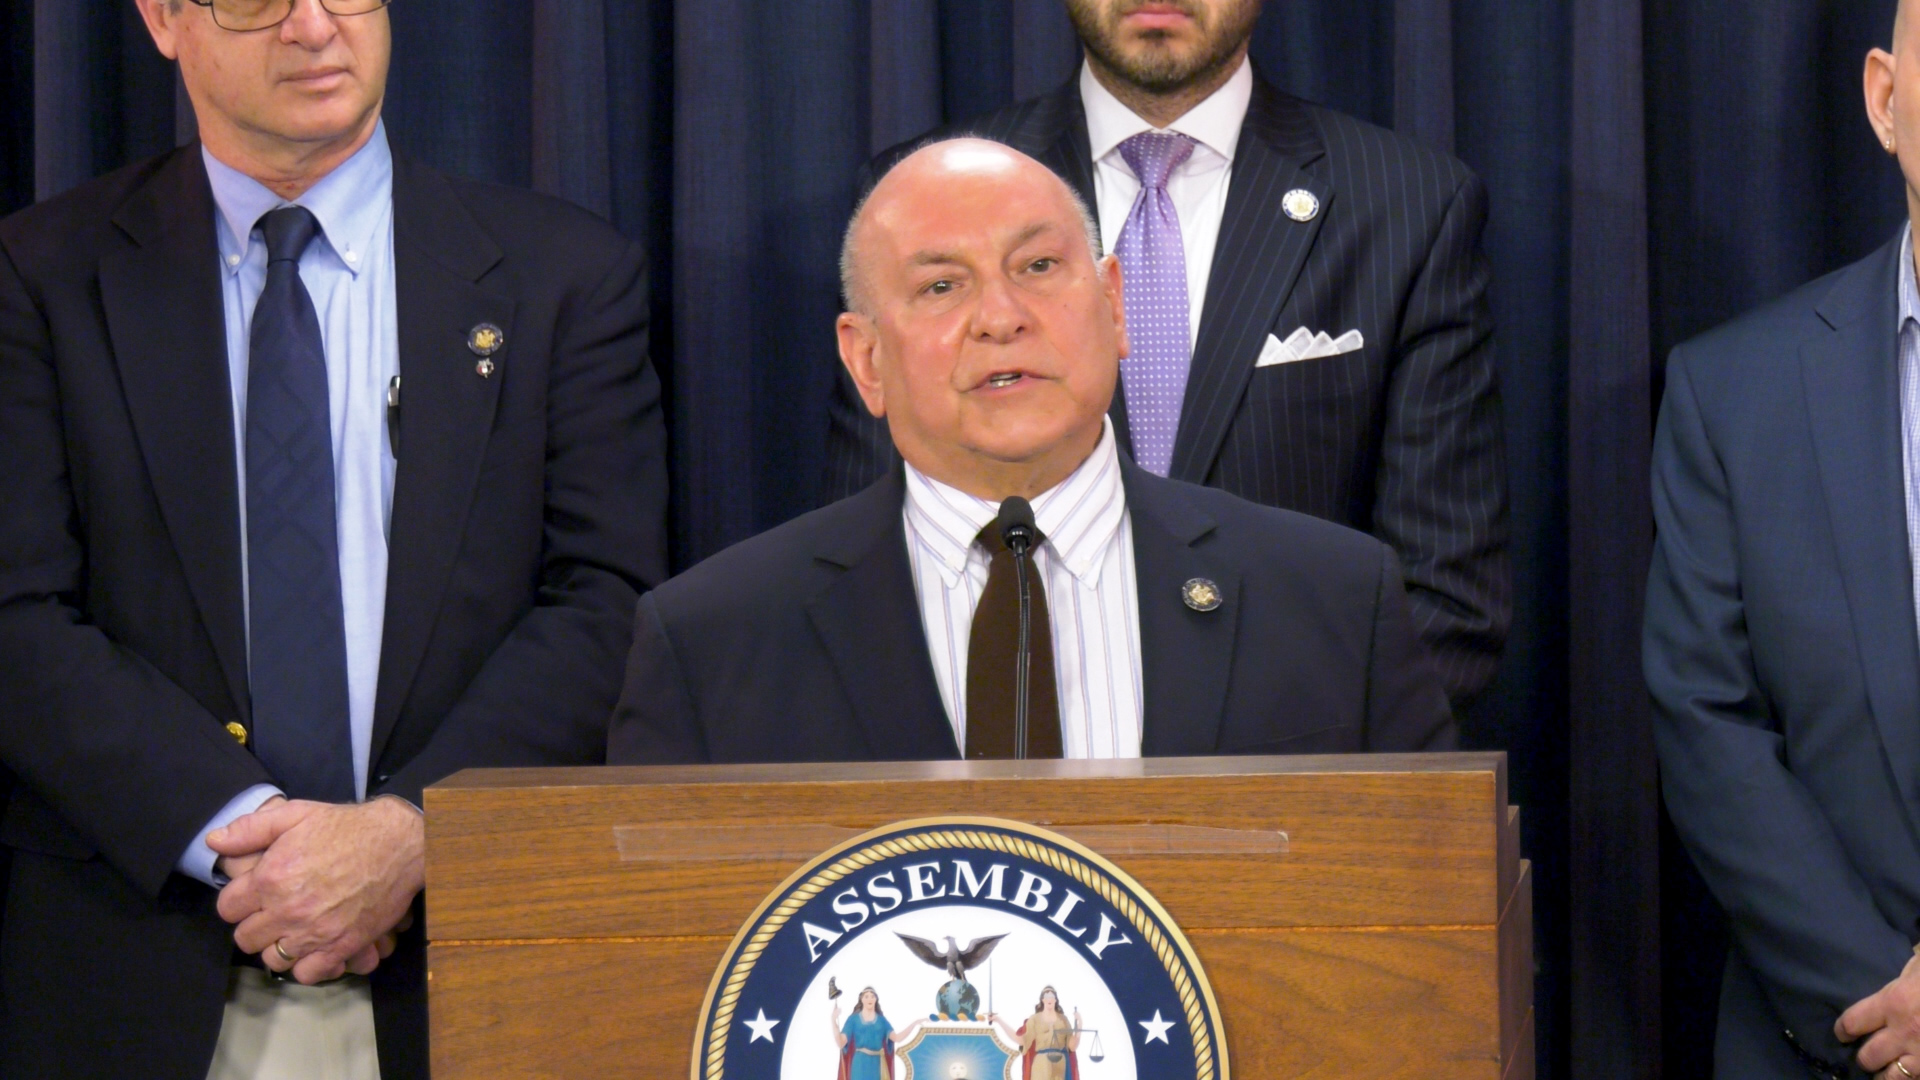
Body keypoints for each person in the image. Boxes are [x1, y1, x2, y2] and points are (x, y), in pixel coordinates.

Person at [0, 0, 667, 1076]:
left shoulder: (562, 278)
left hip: (467, 965)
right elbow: (17, 617)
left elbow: (608, 598)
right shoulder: (39, 274)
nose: (316, 27)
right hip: (139, 962)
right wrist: (251, 842)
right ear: (164, 20)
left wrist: (408, 832)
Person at [609, 139, 1450, 770]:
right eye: (942, 285)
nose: (1001, 316)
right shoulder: (708, 644)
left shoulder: (1338, 603)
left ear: (1116, 307)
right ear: (865, 359)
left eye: (1039, 265)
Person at [822, 0, 1509, 713]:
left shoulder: (1407, 205)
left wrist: (1219, 784)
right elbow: (859, 579)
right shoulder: (910, 202)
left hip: (1283, 791)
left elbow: (1443, 601)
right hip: (991, 772)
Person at [1645, 4, 1920, 1076]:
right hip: (1831, 1042)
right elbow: (1706, 722)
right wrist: (1881, 995)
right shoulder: (1734, 391)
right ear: (1884, 102)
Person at [988, 988, 1080, 1080]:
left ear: (1055, 1000)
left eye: (1052, 996)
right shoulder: (1035, 1019)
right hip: (1041, 1064)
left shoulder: (1063, 1020)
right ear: (1042, 1000)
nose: (1049, 999)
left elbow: (1072, 1046)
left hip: (1060, 1064)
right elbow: (1021, 1040)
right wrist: (999, 1021)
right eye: (1047, 996)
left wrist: (1079, 1023)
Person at [833, 988, 924, 1080]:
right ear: (861, 999)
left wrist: (914, 1024)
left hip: (877, 1063)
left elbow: (897, 1038)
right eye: (866, 996)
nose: (870, 999)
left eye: (873, 996)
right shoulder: (853, 1019)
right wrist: (833, 1020)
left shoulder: (881, 1021)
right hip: (860, 1063)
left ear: (876, 999)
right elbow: (841, 1043)